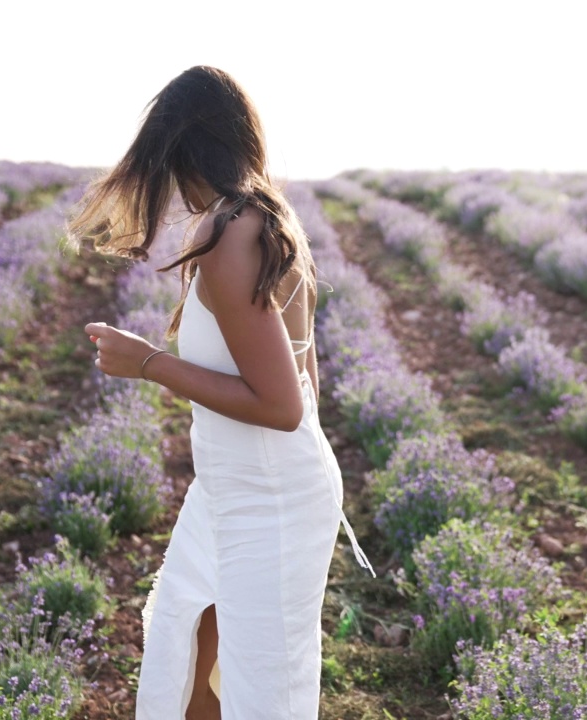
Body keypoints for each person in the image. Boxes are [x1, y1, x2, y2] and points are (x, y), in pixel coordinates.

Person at [66, 65, 374, 720]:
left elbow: (283, 407)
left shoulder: (231, 233)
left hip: (270, 503)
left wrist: (146, 362)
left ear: (178, 151)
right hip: (238, 490)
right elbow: (305, 378)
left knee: (259, 692)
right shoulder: (260, 218)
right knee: (192, 653)